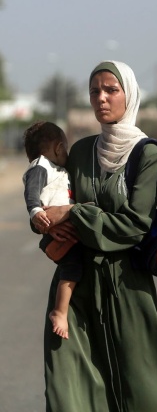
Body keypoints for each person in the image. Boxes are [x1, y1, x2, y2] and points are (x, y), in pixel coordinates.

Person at [35, 61, 157, 411]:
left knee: (143, 389)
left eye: (111, 90)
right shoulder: (79, 152)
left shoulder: (147, 154)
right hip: (75, 284)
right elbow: (56, 202)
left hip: (127, 285)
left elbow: (135, 224)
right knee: (67, 390)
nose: (101, 99)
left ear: (129, 94)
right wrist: (44, 220)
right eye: (95, 91)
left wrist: (77, 215)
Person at [23, 121, 82, 340]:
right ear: (58, 148)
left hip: (61, 230)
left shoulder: (58, 170)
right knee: (73, 266)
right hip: (55, 233)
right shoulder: (40, 166)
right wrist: (36, 212)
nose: (67, 153)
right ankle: (60, 311)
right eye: (65, 148)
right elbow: (32, 192)